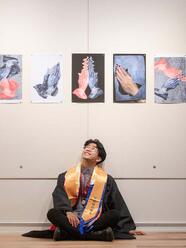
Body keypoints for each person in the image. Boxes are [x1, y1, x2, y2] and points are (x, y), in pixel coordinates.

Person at [22, 139, 145, 241]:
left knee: (115, 214)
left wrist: (127, 227)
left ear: (98, 158)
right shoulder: (66, 176)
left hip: (94, 220)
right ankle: (97, 235)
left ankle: (66, 234)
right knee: (52, 213)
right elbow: (59, 195)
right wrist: (68, 212)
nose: (87, 149)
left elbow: (117, 202)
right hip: (72, 219)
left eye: (93, 148)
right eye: (86, 147)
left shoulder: (106, 179)